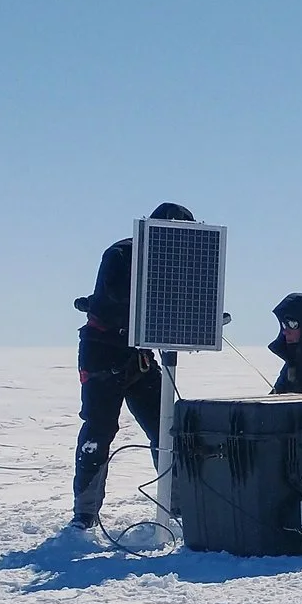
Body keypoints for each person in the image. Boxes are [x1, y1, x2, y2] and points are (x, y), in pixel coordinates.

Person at [71, 202, 194, 527]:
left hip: (137, 355)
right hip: (103, 351)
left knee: (166, 427)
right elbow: (116, 301)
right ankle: (84, 516)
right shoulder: (122, 255)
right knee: (99, 429)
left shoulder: (175, 264)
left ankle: (178, 507)